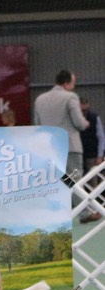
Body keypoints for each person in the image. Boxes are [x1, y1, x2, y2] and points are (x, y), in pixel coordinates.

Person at [33, 70, 96, 222]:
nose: (74, 86)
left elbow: (37, 124)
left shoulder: (39, 99)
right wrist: (86, 123)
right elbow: (79, 122)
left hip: (49, 146)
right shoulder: (70, 97)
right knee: (75, 179)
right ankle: (85, 213)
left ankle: (54, 215)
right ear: (66, 83)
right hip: (70, 145)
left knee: (58, 180)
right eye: (73, 83)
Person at [79, 97, 104, 222]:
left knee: (92, 185)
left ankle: (94, 210)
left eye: (84, 106)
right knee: (77, 183)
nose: (83, 109)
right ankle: (84, 211)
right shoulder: (74, 117)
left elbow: (101, 137)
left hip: (91, 155)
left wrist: (100, 155)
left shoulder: (94, 117)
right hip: (78, 154)